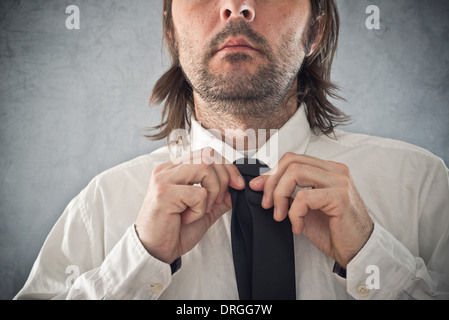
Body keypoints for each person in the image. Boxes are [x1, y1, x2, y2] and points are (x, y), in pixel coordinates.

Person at [15, 0, 449, 300]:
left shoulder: (422, 187)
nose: (237, 6)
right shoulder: (102, 207)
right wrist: (138, 263)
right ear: (171, 28)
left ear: (316, 28)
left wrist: (373, 260)